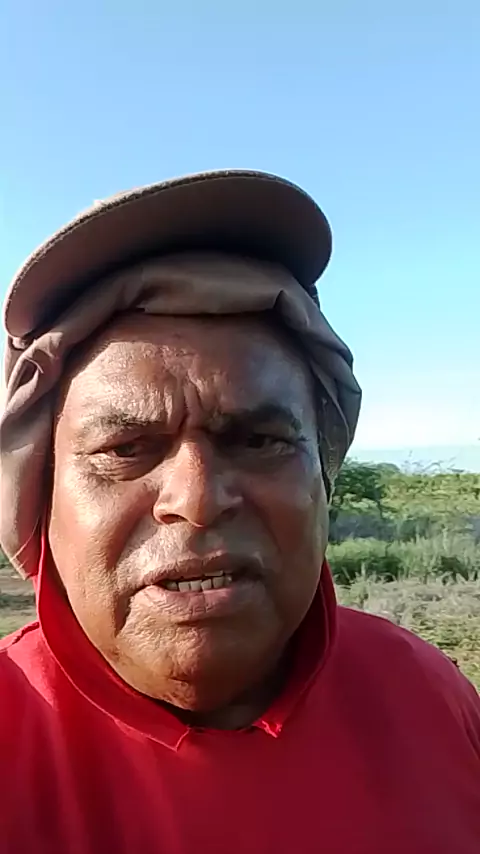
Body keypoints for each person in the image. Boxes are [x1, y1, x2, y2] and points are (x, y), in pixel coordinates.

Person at [0, 170, 478, 853]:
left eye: (258, 441)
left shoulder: (427, 693)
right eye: (126, 449)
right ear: (40, 498)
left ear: (322, 477)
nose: (196, 500)